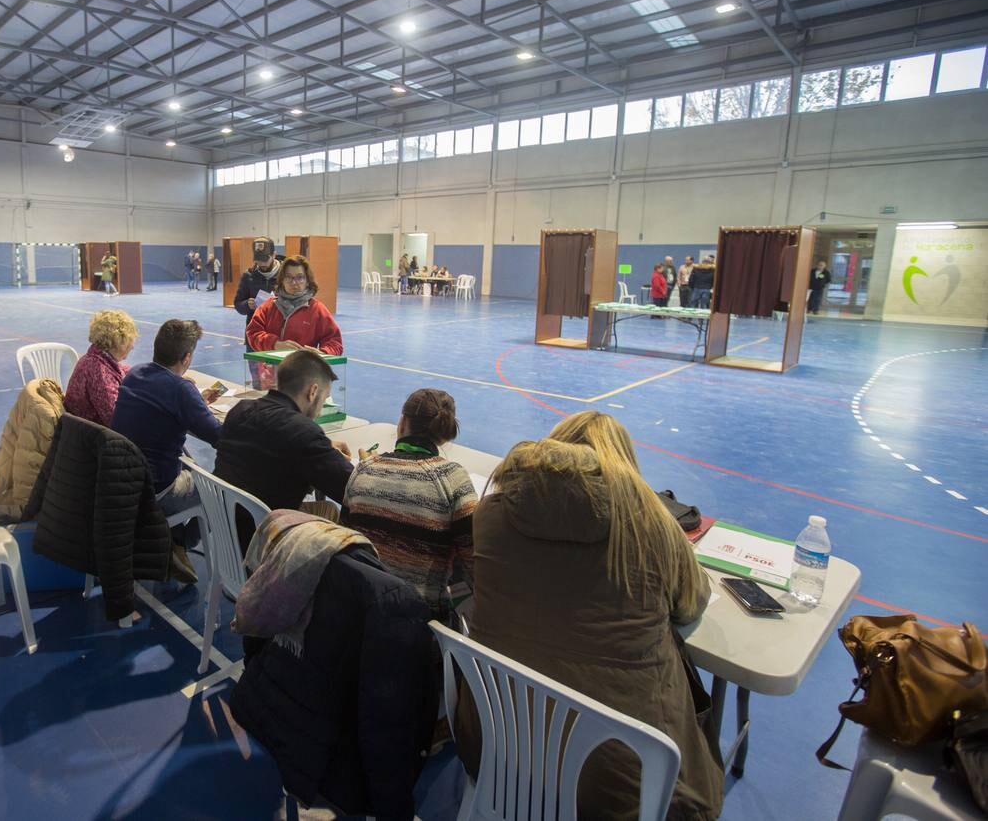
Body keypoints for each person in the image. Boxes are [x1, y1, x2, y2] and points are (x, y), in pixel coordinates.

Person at [455, 411, 721, 820]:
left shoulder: (491, 515)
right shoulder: (651, 526)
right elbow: (691, 603)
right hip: (623, 787)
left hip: (498, 749)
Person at [341, 388, 477, 620]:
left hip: (358, 617)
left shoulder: (363, 469)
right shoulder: (454, 480)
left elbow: (344, 540)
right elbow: (474, 565)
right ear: (444, 434)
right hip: (423, 630)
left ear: (402, 422)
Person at [110, 319, 222, 582]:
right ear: (187, 357)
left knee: (186, 459)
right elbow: (218, 436)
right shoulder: (181, 389)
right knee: (217, 491)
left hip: (122, 480)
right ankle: (178, 543)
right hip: (155, 489)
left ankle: (171, 543)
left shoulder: (135, 373)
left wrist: (196, 401)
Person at [214, 348, 354, 547]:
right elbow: (349, 488)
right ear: (313, 391)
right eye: (324, 399)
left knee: (327, 509)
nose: (321, 408)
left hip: (226, 531)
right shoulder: (304, 432)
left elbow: (270, 443)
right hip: (270, 542)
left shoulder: (240, 410)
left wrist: (324, 446)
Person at [245, 255, 343, 356]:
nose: (294, 282)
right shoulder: (267, 307)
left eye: (300, 277)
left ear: (307, 281)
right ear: (282, 280)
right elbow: (253, 333)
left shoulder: (317, 310)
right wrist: (275, 344)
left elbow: (335, 342)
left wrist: (322, 353)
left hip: (302, 370)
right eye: (288, 277)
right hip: (269, 369)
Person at [64, 308, 138, 427]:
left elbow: (123, 369)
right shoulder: (98, 371)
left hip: (81, 429)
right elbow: (115, 420)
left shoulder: (95, 358)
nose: (132, 346)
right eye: (128, 341)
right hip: (91, 437)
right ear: (116, 342)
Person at [234, 237, 281, 346]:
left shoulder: (285, 275)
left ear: (274, 255)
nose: (261, 264)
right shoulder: (249, 276)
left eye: (265, 259)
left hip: (279, 336)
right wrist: (247, 304)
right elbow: (238, 304)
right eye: (258, 259)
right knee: (254, 364)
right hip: (255, 335)